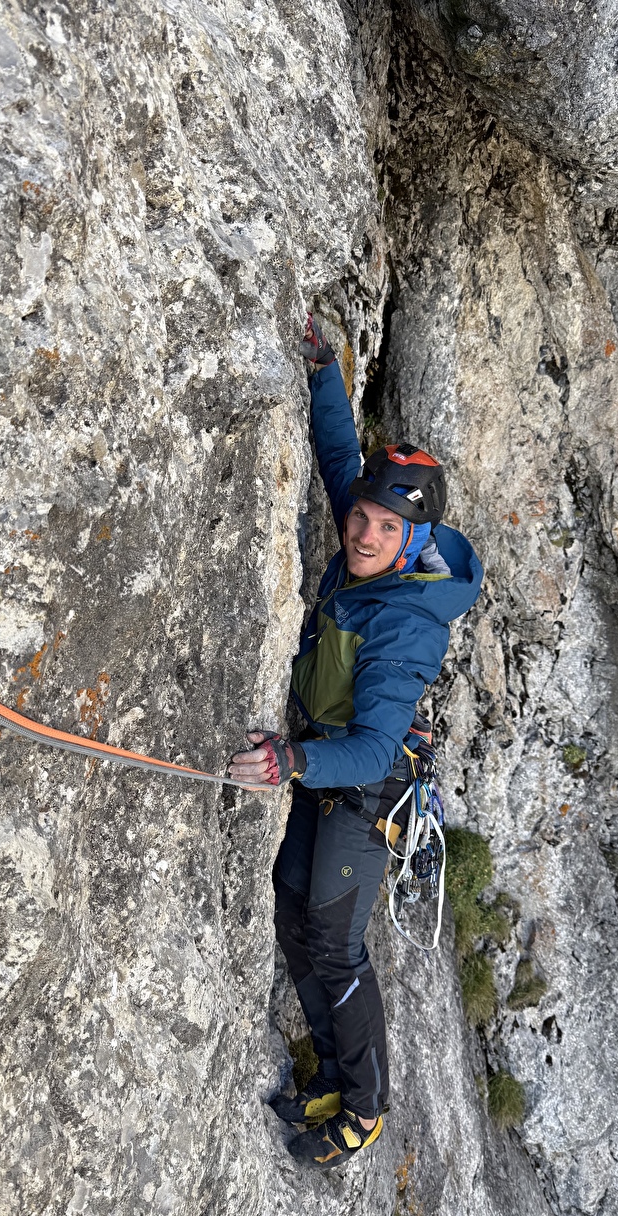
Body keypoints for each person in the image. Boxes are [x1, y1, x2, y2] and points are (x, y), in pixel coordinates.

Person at [228, 315, 483, 1168]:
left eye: (382, 527)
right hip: (326, 760)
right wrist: (323, 369)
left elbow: (374, 751)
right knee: (295, 921)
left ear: (413, 543)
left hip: (365, 780)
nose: (361, 533)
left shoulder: (409, 620)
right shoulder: (370, 540)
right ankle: (332, 1074)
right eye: (363, 519)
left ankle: (365, 1108)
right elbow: (341, 463)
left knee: (333, 939)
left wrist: (290, 760)